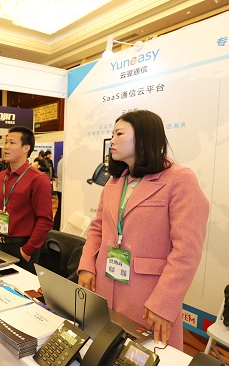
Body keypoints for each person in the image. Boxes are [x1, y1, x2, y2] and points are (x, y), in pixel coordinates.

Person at [77, 110, 209, 350]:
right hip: (106, 286)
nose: (112, 140)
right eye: (112, 134)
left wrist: (164, 303)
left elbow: (187, 251)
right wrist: (87, 264)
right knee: (106, 354)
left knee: (146, 360)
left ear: (143, 137)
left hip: (148, 297)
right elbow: (97, 228)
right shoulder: (115, 181)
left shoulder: (179, 179)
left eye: (119, 134)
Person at [0, 126, 53, 273]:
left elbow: (45, 220)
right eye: (6, 142)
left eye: (12, 143)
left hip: (22, 247)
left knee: (20, 286)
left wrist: (27, 250)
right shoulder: (2, 176)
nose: (6, 147)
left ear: (26, 148)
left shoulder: (38, 179)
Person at [53, 154, 64, 230]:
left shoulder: (61, 161)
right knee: (60, 210)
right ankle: (56, 227)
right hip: (63, 189)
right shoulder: (65, 161)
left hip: (60, 188)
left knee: (59, 209)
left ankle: (55, 227)